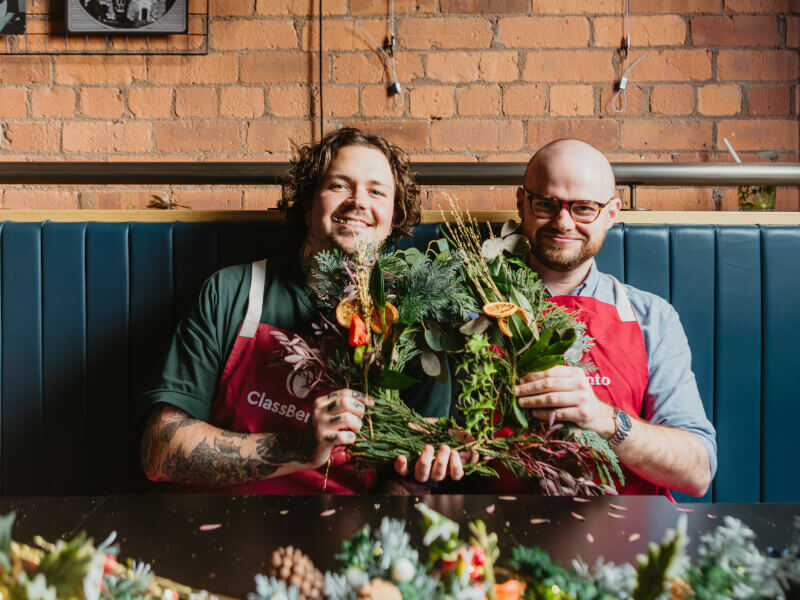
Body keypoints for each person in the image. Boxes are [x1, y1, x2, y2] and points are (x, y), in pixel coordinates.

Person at [139, 127, 467, 494]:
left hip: (350, 536)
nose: (358, 201)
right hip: (226, 527)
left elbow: (411, 475)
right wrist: (298, 448)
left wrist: (411, 487)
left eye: (376, 191)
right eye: (339, 185)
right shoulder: (233, 292)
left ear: (393, 218)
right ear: (308, 207)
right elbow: (160, 451)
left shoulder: (412, 319)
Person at [511, 139, 716, 498]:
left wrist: (605, 420)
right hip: (491, 538)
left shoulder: (653, 318)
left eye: (584, 208)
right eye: (545, 204)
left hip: (628, 540)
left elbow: (697, 471)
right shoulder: (467, 307)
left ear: (611, 212)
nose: (563, 222)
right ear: (521, 203)